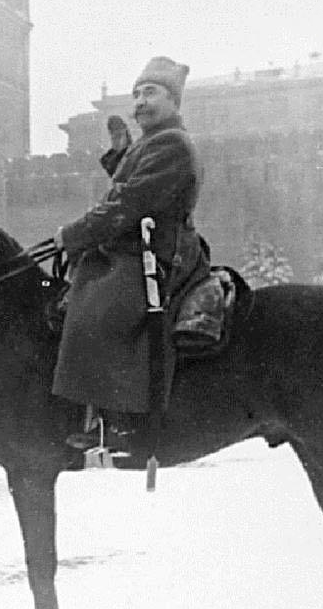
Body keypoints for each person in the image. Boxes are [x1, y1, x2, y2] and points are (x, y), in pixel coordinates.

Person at [52, 56, 210, 452]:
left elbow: (130, 203)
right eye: (137, 93)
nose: (140, 101)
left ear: (174, 101)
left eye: (151, 92)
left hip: (158, 254)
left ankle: (117, 421)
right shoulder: (154, 143)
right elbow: (133, 186)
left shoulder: (173, 143)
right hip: (138, 248)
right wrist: (119, 158)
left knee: (99, 307)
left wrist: (73, 235)